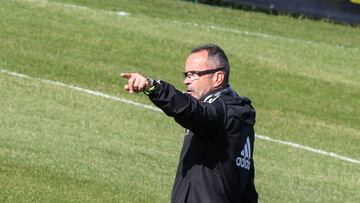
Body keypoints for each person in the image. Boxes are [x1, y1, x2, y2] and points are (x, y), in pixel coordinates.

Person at [121, 44, 258, 203]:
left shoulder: (220, 112)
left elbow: (191, 110)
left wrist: (154, 88)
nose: (186, 81)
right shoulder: (238, 118)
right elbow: (246, 186)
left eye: (193, 74)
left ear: (218, 77)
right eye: (186, 74)